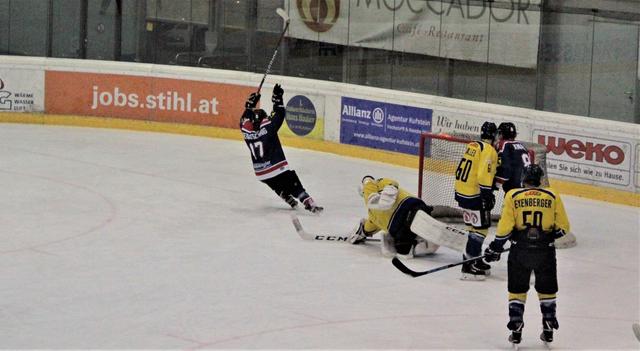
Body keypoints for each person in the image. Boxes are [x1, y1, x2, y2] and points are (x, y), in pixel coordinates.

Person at [483, 164, 571, 345]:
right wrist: (545, 238)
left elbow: (505, 228)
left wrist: (496, 247)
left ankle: (516, 326)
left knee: (517, 289)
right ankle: (548, 325)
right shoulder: (552, 195)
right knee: (547, 289)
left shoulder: (513, 195)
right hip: (545, 251)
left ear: (523, 178)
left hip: (519, 251)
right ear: (540, 179)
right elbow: (564, 228)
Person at [240, 84, 323, 213]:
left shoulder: (246, 131)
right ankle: (307, 201)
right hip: (275, 168)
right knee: (291, 179)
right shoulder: (268, 128)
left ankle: (284, 194)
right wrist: (277, 98)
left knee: (273, 181)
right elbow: (279, 114)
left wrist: (249, 107)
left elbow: (243, 121)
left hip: (261, 173)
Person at [348, 176, 438, 258]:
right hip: (401, 228)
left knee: (436, 213)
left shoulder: (379, 184)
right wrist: (362, 231)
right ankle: (422, 242)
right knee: (403, 251)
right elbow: (369, 226)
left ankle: (446, 220)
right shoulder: (373, 216)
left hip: (410, 207)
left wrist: (388, 188)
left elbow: (390, 183)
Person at [453, 121, 498, 280]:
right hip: (474, 195)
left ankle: (475, 261)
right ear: (494, 135)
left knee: (473, 228)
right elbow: (483, 175)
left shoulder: (473, 145)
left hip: (461, 192)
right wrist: (487, 195)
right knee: (480, 229)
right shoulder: (489, 150)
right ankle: (468, 267)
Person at [494, 122, 533, 194]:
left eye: (500, 133)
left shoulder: (503, 144)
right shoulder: (521, 146)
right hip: (527, 189)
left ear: (502, 134)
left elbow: (505, 169)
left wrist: (496, 182)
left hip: (514, 190)